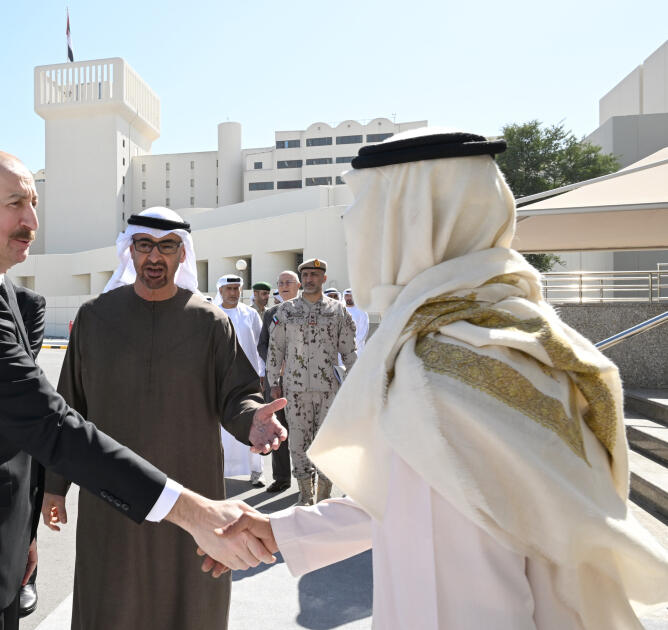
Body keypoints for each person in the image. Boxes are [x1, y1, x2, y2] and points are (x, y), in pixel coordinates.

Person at [217, 129, 668, 628]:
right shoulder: (510, 329)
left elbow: (451, 581)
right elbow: (414, 496)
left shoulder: (444, 366)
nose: (355, 231)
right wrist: (284, 531)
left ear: (412, 226)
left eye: (369, 212)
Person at [0, 150, 283, 629]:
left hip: (8, 537)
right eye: (14, 204)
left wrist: (21, 534)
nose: (32, 222)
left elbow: (235, 391)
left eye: (33, 204)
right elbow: (53, 415)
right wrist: (190, 512)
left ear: (182, 253)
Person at [40, 207, 286, 630]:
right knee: (110, 600)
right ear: (130, 251)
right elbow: (69, 408)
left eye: (167, 247)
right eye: (145, 245)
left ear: (182, 254)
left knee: (189, 599)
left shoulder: (210, 323)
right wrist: (54, 486)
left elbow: (237, 395)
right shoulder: (95, 318)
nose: (155, 257)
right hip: (111, 493)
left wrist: (252, 421)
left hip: (193, 492)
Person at [266, 259, 357, 505]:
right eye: (305, 275)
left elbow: (349, 351)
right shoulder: (286, 311)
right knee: (298, 443)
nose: (309, 279)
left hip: (329, 390)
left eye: (314, 275)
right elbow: (275, 348)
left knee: (326, 444)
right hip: (294, 391)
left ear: (323, 278)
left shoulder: (338, 311)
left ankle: (324, 496)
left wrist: (354, 384)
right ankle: (306, 495)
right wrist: (273, 381)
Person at [13, 285, 46, 617]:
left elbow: (23, 358)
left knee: (26, 500)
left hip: (17, 416)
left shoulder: (28, 302)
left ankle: (26, 576)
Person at [214, 274, 266, 487]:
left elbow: (260, 344)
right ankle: (220, 470)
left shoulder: (250, 314)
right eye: (229, 289)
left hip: (247, 380)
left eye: (237, 288)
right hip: (220, 379)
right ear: (220, 291)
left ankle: (257, 471)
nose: (233, 293)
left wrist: (262, 373)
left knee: (253, 421)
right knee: (220, 427)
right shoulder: (212, 314)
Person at [257, 270, 301, 493]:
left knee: (304, 430)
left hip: (303, 382)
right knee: (277, 428)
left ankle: (306, 478)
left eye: (288, 282)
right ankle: (282, 478)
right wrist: (276, 362)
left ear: (298, 285)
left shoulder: (308, 310)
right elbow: (262, 345)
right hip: (277, 382)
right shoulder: (271, 313)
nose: (284, 286)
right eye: (280, 282)